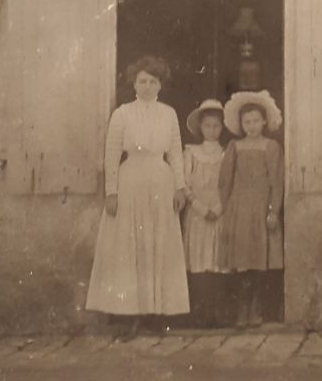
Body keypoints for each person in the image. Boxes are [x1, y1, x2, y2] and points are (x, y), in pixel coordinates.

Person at [85, 56, 190, 339]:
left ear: (160, 85)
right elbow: (111, 155)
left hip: (160, 181)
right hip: (131, 181)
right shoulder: (122, 114)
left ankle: (155, 315)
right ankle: (130, 315)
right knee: (130, 248)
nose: (147, 86)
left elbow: (177, 153)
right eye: (142, 81)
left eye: (152, 81)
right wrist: (112, 192)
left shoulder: (168, 113)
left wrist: (180, 186)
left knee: (157, 244)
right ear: (134, 83)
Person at [216, 90, 285, 327]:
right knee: (242, 260)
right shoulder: (235, 146)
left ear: (264, 121)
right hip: (240, 209)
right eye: (247, 122)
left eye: (256, 121)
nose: (252, 126)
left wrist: (273, 210)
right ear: (241, 124)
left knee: (259, 260)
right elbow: (225, 180)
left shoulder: (271, 146)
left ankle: (257, 308)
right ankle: (241, 310)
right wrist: (225, 209)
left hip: (261, 208)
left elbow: (276, 180)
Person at [180, 99, 228, 326]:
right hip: (197, 214)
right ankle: (198, 311)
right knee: (198, 260)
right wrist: (199, 207)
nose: (212, 130)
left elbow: (229, 185)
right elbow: (184, 184)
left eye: (216, 125)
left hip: (219, 213)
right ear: (201, 127)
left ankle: (216, 311)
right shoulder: (191, 153)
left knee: (217, 259)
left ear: (222, 127)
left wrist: (218, 209)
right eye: (208, 125)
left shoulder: (227, 153)